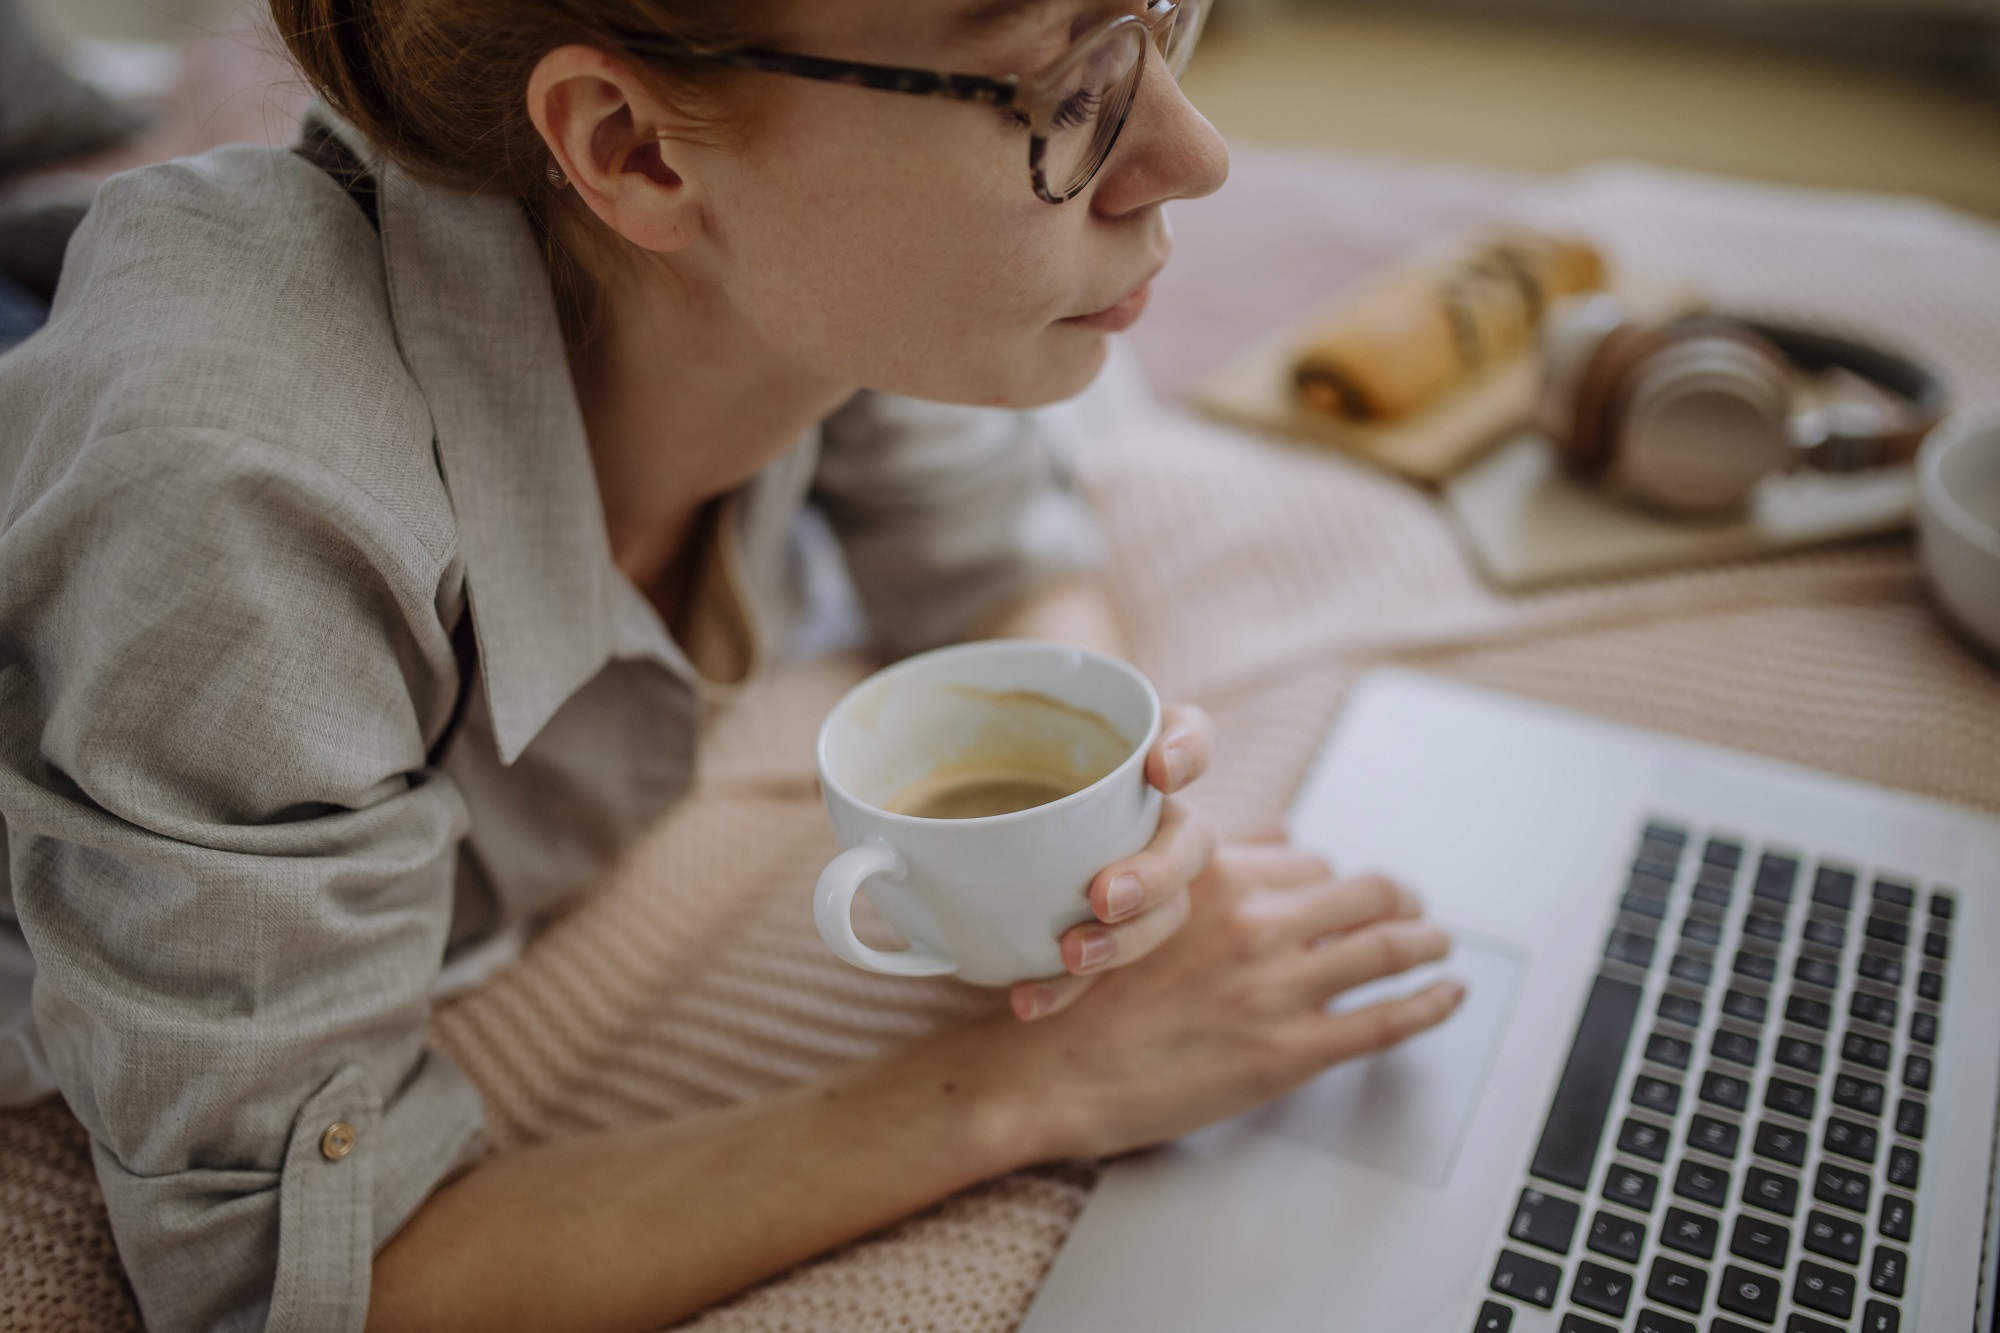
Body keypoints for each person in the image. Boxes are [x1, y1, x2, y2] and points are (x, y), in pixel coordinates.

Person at [0, 0, 1463, 1328]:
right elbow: (317, 1272)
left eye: (1161, 20)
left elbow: (995, 554)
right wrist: (1030, 1085)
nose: (1193, 156)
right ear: (634, 150)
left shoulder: (811, 291)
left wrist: (1076, 844)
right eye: (1067, 88)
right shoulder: (237, 498)